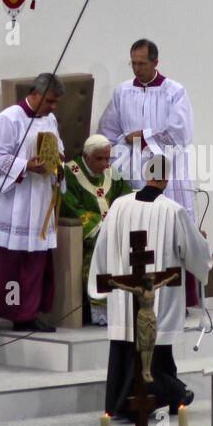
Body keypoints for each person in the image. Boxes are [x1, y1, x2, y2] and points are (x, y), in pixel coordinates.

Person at [89, 155, 211, 420]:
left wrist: (99, 283)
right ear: (167, 178)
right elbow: (194, 253)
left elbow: (102, 246)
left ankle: (119, 404)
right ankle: (172, 393)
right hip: (157, 299)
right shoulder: (173, 211)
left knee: (125, 351)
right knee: (155, 354)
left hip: (125, 298)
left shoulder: (119, 206)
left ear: (146, 174)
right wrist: (202, 244)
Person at [97, 38, 203, 306]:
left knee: (171, 229)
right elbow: (108, 131)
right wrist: (120, 150)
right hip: (133, 168)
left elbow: (181, 132)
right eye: (133, 63)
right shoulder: (122, 92)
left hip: (167, 168)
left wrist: (144, 137)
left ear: (156, 62)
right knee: (140, 232)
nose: (136, 69)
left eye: (142, 63)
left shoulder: (174, 91)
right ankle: (141, 296)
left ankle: (178, 297)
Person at [0, 73, 65, 332]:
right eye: (50, 101)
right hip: (12, 202)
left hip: (39, 199)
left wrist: (57, 163)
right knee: (3, 261)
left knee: (33, 262)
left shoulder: (50, 119)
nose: (54, 107)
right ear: (36, 93)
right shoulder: (8, 119)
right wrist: (27, 166)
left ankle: (26, 314)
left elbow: (58, 150)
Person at [61, 133, 133, 324]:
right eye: (99, 159)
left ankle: (126, 306)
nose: (104, 164)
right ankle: (100, 310)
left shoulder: (112, 173)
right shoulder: (69, 173)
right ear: (86, 157)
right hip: (88, 236)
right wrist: (100, 226)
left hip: (114, 230)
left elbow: (127, 199)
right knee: (103, 248)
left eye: (107, 158)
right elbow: (69, 206)